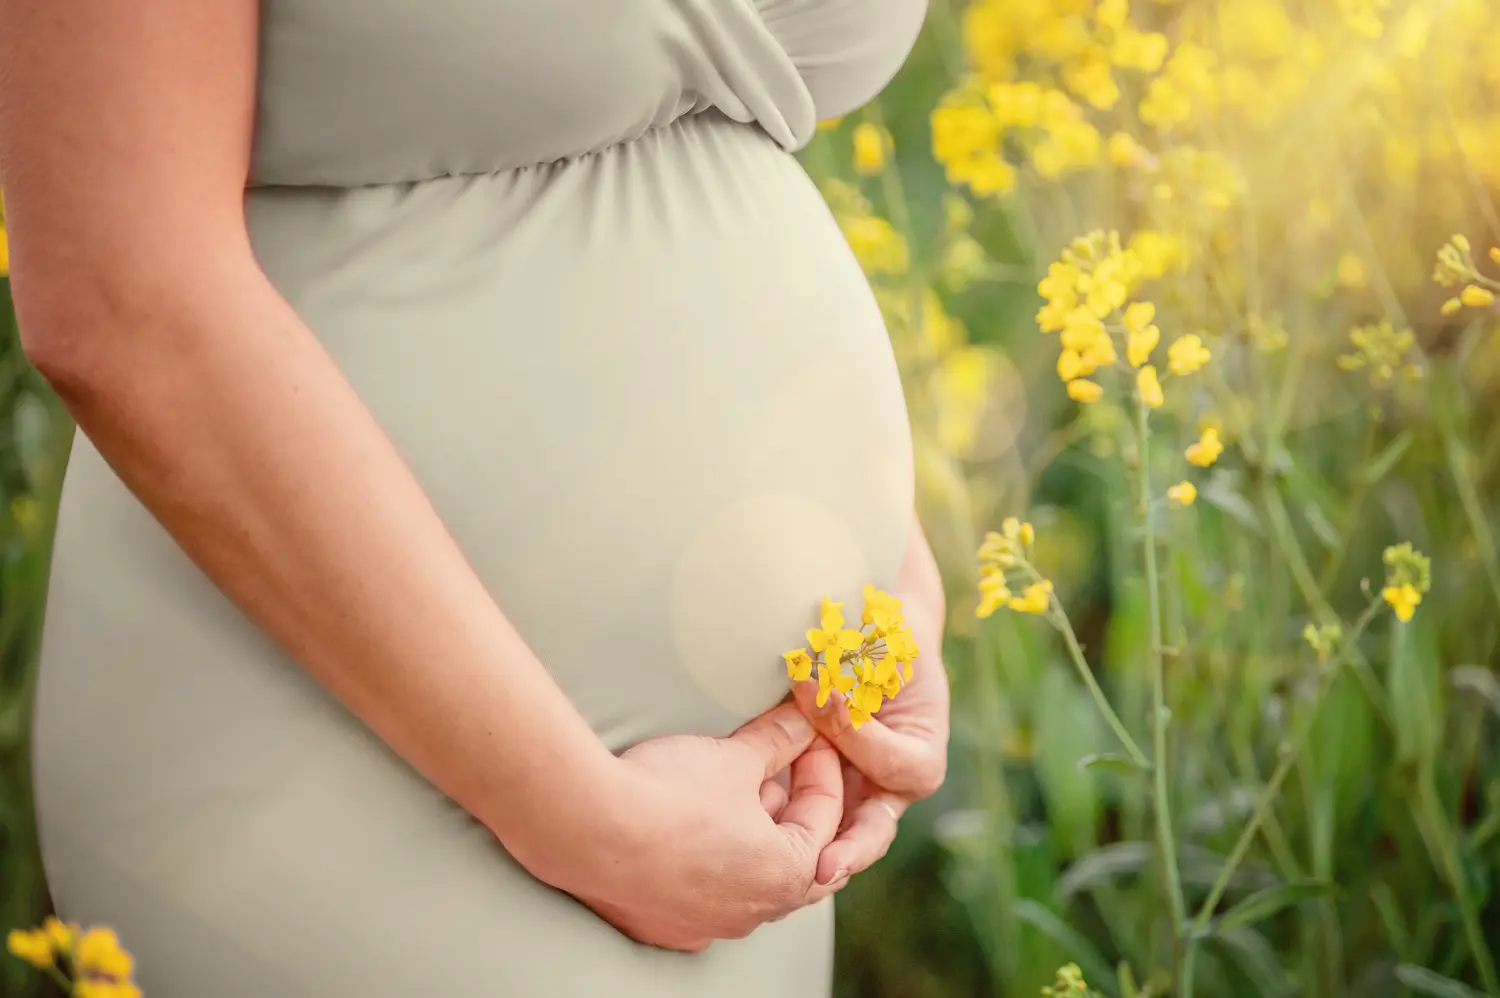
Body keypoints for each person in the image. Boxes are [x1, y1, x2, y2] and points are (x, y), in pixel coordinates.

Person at [0, 0, 949, 994]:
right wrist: (595, 829)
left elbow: (719, 145)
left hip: (748, 814)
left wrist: (887, 597)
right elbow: (120, 300)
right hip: (348, 773)